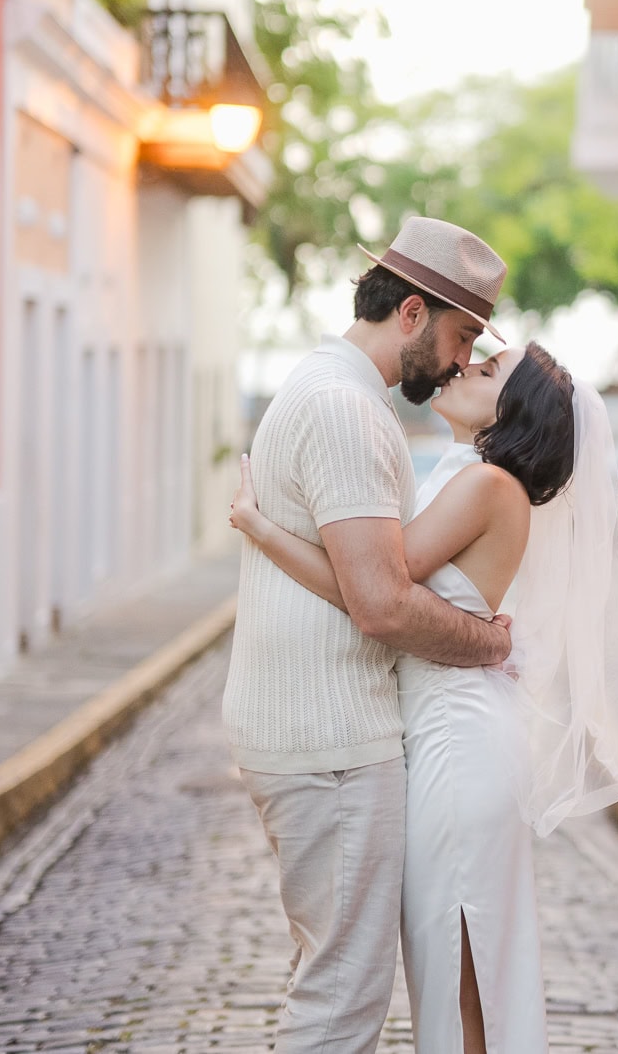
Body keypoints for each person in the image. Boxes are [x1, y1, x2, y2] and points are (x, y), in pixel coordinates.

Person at [232, 339, 618, 1053]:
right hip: (453, 734)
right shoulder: (469, 476)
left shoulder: (485, 486)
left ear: (511, 413)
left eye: (486, 373)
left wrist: (263, 529)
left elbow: (373, 595)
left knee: (459, 967)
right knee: (457, 966)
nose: (461, 369)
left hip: (458, 744)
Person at [222, 217, 516, 1053]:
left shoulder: (326, 387)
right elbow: (381, 603)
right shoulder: (347, 410)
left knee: (332, 980)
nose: (463, 361)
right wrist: (490, 643)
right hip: (332, 746)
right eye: (462, 337)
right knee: (342, 999)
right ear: (412, 313)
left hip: (314, 736)